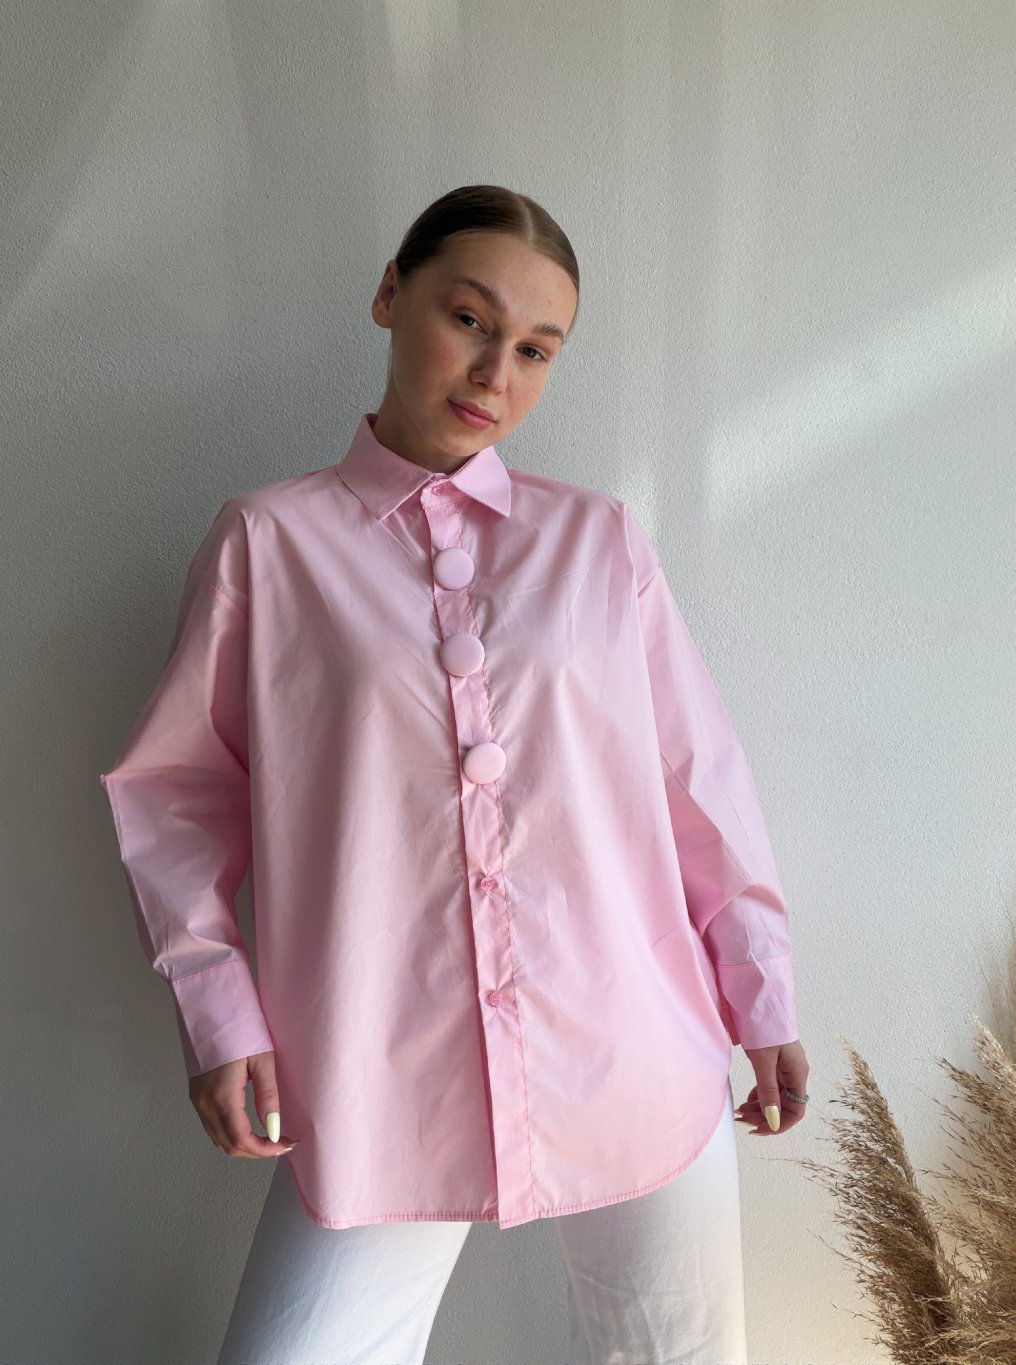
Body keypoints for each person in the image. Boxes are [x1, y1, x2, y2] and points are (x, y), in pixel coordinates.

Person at [99, 184, 810, 1365]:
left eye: (535, 348)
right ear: (392, 295)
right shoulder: (269, 544)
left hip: (634, 1046)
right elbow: (173, 799)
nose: (495, 371)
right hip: (382, 1069)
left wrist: (761, 991)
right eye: (469, 319)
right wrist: (219, 1016)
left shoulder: (596, 541)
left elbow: (696, 782)